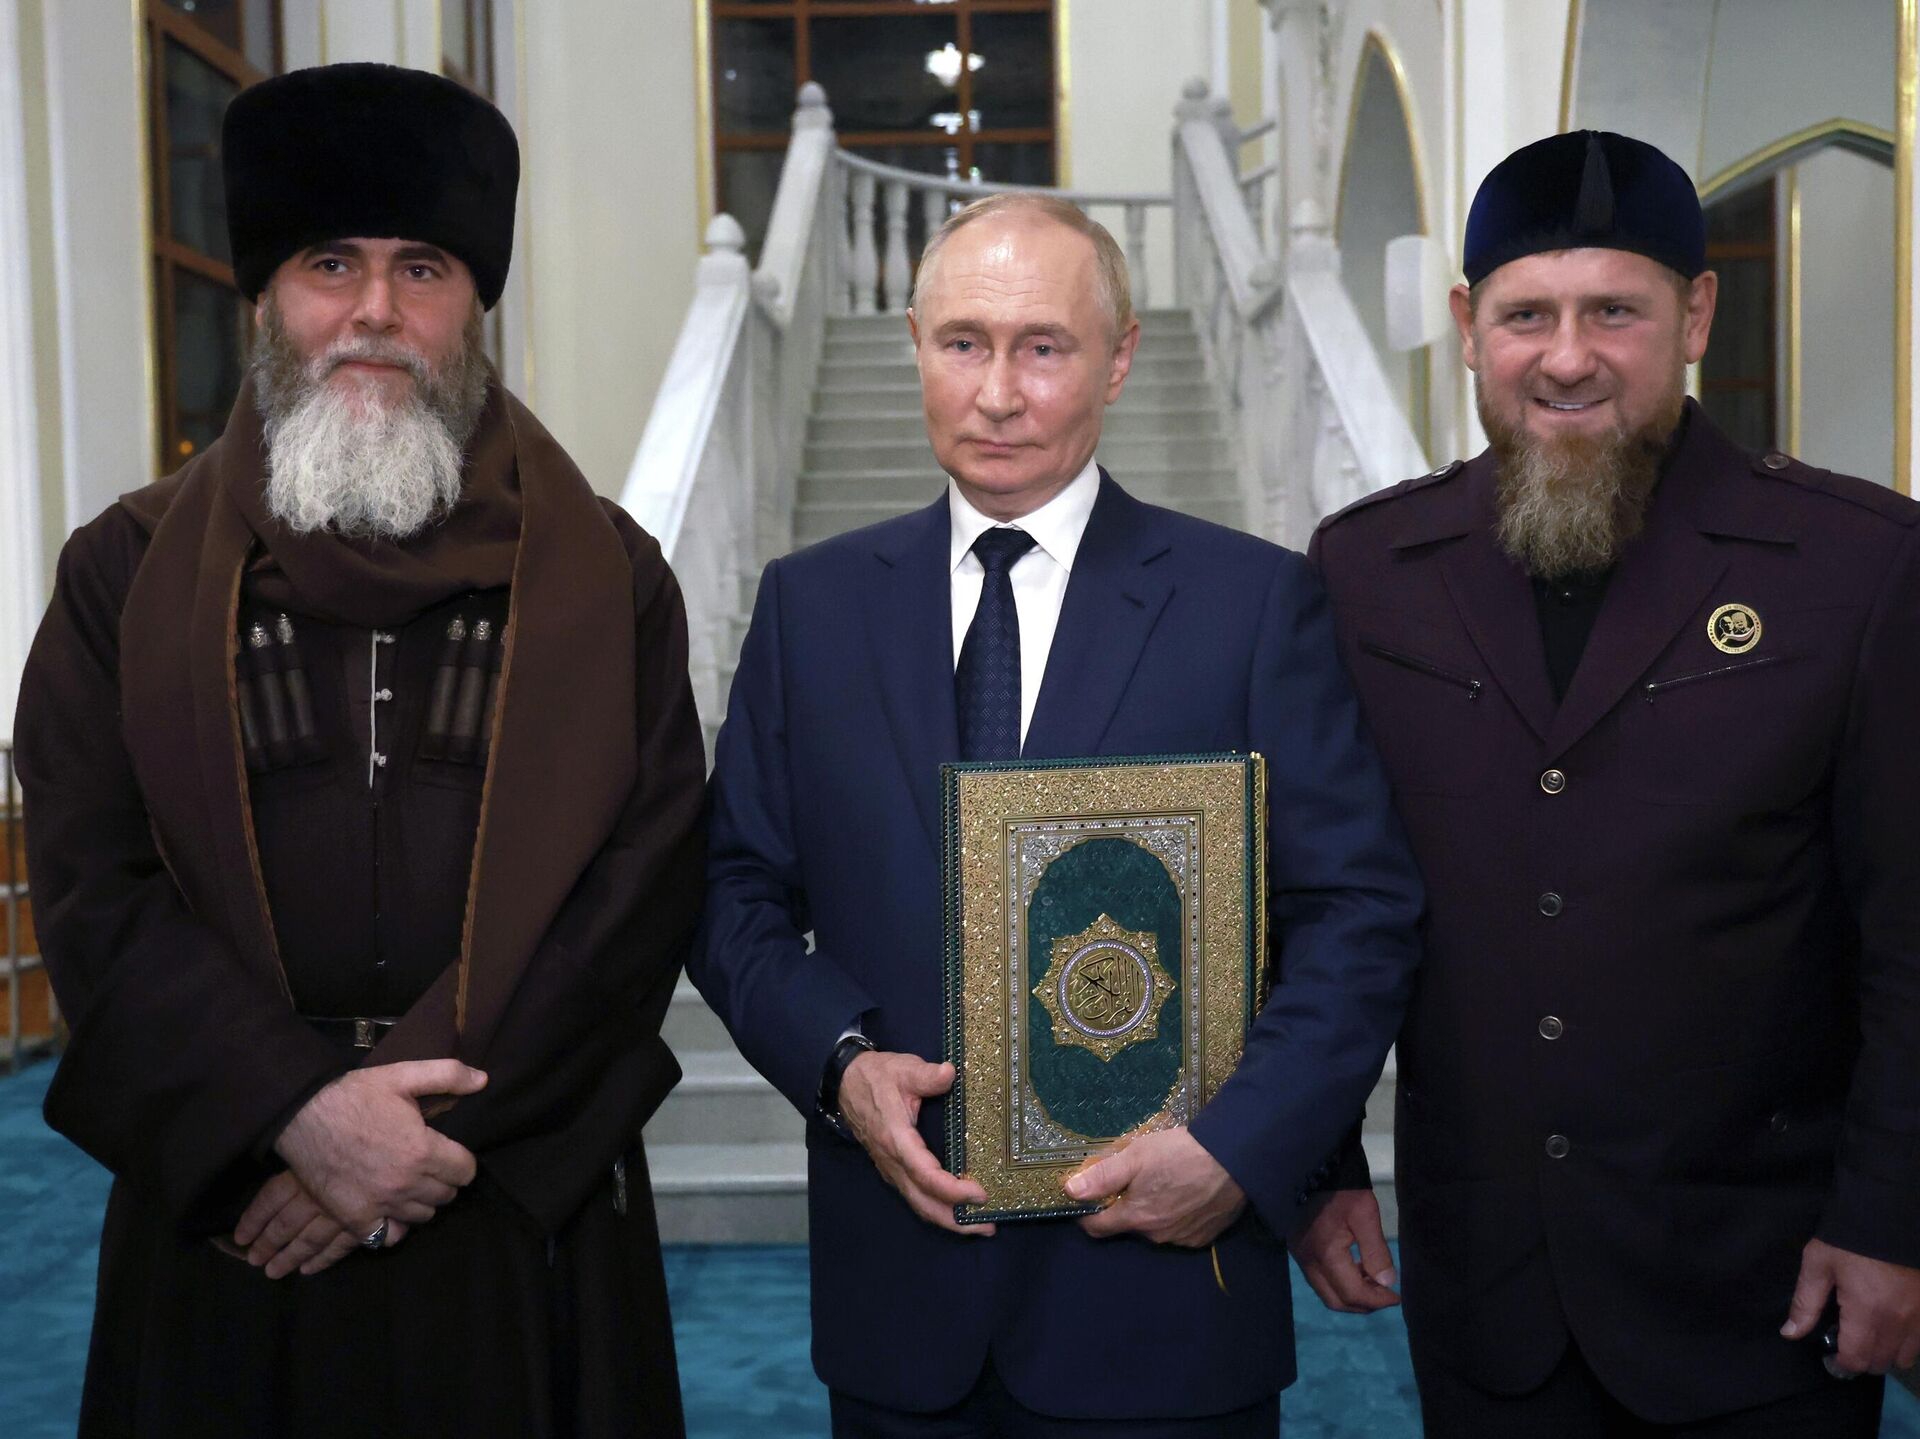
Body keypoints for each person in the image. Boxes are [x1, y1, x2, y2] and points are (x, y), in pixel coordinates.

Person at [15, 63, 704, 1437]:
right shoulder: (124, 572)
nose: (376, 309)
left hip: (510, 1200)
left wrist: (407, 1139)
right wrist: (296, 1113)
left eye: (422, 268)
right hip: (239, 1205)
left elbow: (636, 897)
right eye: (331, 263)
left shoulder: (608, 578)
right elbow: (96, 892)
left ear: (475, 308)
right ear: (265, 297)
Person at [693, 192, 1424, 1435]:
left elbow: (1357, 911)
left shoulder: (1251, 603)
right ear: (915, 345)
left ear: (1119, 358)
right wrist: (841, 1064)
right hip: (901, 1299)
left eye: (1043, 346)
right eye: (962, 342)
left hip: (1164, 1295)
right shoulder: (811, 606)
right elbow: (732, 890)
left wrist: (1240, 1148)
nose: (997, 392)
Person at [1301, 129, 1920, 1436]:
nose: (1568, 356)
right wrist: (1323, 1156)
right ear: (1469, 327)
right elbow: (1318, 899)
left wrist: (1891, 1217)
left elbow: (1912, 934)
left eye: (1615, 311)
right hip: (1487, 1285)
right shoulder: (1367, 574)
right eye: (1527, 314)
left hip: (1760, 1281)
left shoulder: (1858, 566)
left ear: (1695, 316)